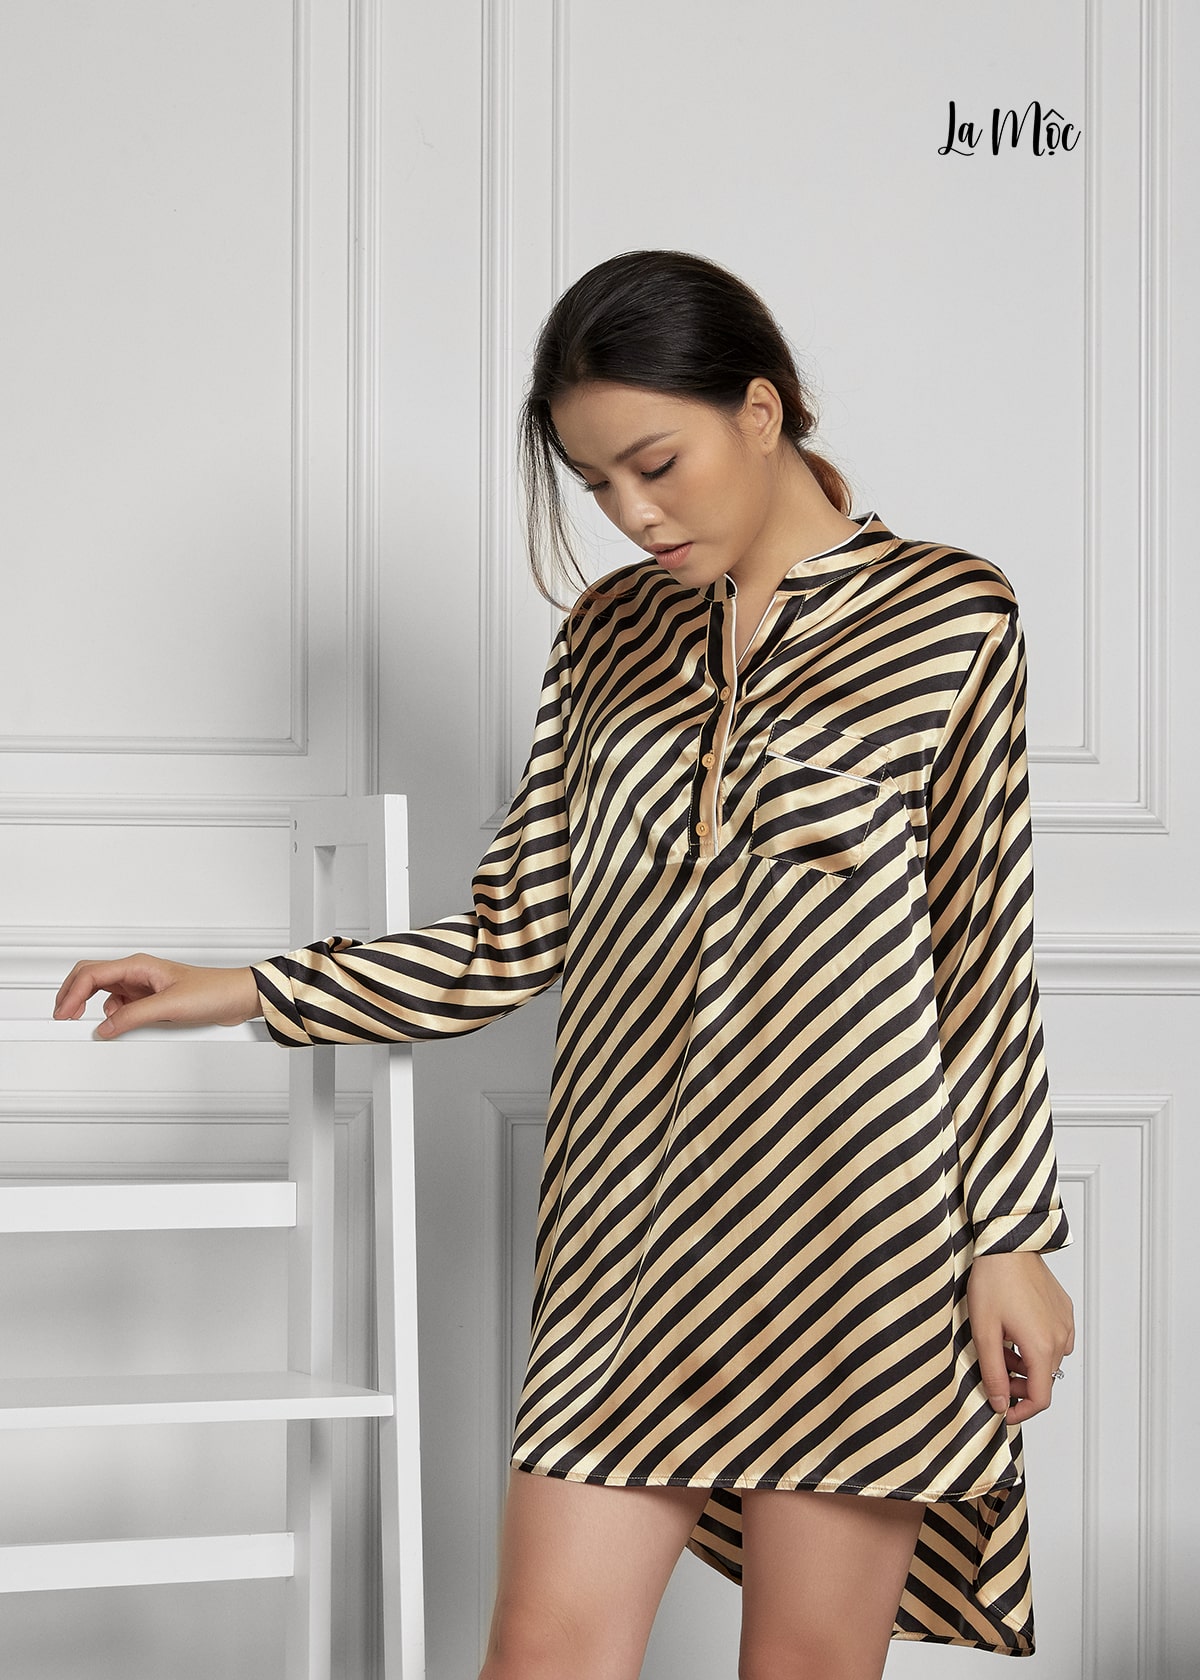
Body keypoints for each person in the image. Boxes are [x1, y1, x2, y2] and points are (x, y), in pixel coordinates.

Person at [54, 249, 1075, 1679]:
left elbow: (981, 952)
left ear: (761, 411)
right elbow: (514, 933)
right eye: (596, 484)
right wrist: (238, 987)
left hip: (862, 1232)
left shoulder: (951, 615)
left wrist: (1012, 1238)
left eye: (655, 464)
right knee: (543, 1650)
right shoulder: (608, 635)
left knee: (806, 1665)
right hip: (627, 1230)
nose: (633, 514)